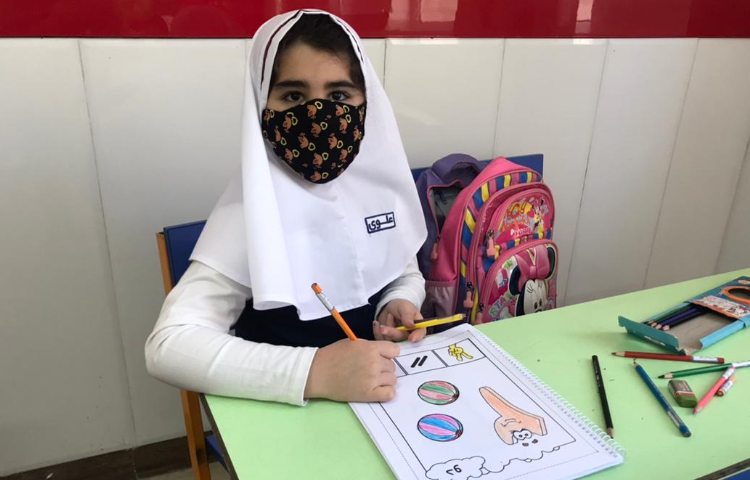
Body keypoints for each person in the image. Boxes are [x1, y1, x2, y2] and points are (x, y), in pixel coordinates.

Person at [145, 10, 428, 406]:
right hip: (290, 415)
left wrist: (396, 303)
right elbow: (168, 345)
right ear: (263, 104)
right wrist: (313, 372)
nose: (318, 117)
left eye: (339, 96)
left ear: (367, 103)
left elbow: (404, 270)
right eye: (293, 96)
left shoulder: (379, 189)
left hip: (383, 397)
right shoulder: (252, 213)